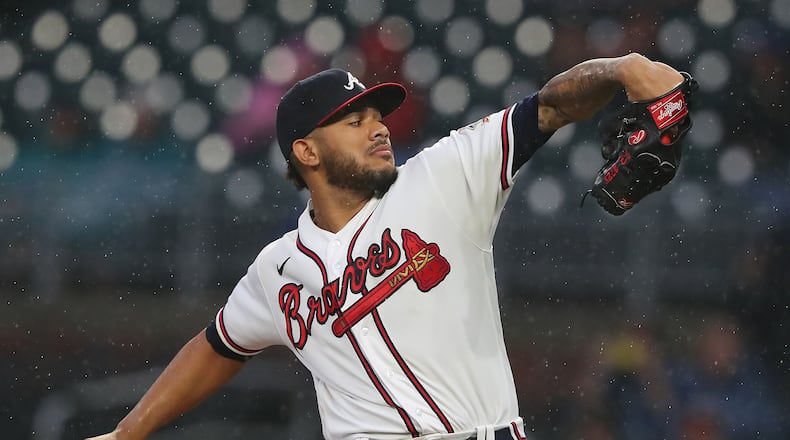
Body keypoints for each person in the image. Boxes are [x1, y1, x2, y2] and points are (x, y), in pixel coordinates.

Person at [86, 53, 687, 440]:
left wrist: (619, 69)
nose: (378, 126)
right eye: (353, 120)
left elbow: (551, 106)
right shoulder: (278, 270)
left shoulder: (445, 176)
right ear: (306, 151)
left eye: (377, 114)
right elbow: (218, 344)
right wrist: (127, 434)